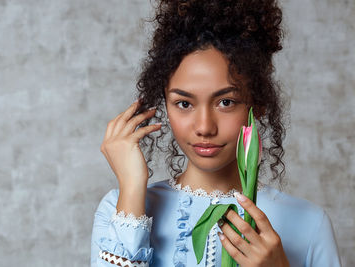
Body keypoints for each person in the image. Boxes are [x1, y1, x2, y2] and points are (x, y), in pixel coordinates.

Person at [91, 0, 341, 266]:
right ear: (165, 104)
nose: (204, 127)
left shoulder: (309, 223)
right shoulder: (120, 210)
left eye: (226, 102)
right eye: (184, 104)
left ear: (258, 104)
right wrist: (131, 185)